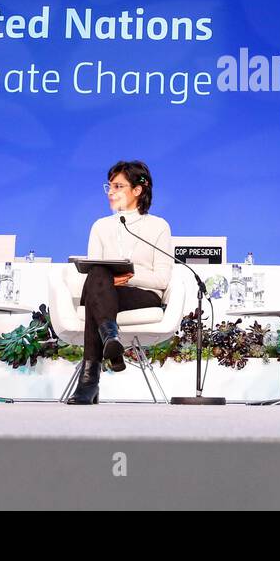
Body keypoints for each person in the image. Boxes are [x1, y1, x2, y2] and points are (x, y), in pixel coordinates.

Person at [67, 160, 174, 405]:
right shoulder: (100, 226)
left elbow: (163, 278)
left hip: (141, 295)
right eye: (110, 186)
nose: (111, 192)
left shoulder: (158, 226)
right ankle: (110, 337)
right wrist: (110, 279)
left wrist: (129, 277)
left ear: (137, 190)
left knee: (98, 295)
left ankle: (89, 381)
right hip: (105, 291)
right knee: (97, 274)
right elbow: (94, 274)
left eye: (118, 186)